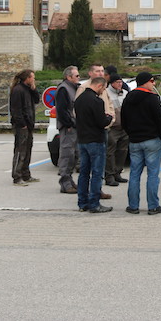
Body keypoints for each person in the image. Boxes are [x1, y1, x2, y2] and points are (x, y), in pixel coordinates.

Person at [121, 72, 161, 215]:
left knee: (134, 174)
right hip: (152, 139)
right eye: (152, 81)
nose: (154, 83)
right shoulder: (152, 98)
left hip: (135, 140)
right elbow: (160, 119)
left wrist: (131, 134)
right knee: (153, 174)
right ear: (145, 82)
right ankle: (153, 206)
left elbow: (123, 119)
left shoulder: (128, 98)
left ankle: (133, 206)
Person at [74, 77, 113, 213]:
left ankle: (82, 202)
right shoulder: (97, 101)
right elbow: (101, 122)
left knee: (84, 172)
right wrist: (108, 117)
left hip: (82, 139)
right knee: (97, 173)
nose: (103, 91)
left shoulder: (79, 99)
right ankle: (94, 203)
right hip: (95, 140)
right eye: (104, 88)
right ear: (99, 86)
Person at [9, 69, 40, 186]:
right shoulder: (18, 90)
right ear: (27, 78)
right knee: (20, 150)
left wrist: (34, 89)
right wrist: (22, 124)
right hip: (21, 125)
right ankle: (17, 176)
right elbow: (15, 109)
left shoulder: (28, 89)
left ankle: (26, 174)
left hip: (29, 124)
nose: (34, 79)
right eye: (33, 77)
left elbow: (37, 100)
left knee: (28, 150)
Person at [56, 65, 81, 194]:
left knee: (74, 155)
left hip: (74, 126)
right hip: (68, 127)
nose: (79, 78)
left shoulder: (74, 88)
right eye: (76, 75)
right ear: (68, 77)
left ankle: (70, 181)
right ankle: (65, 182)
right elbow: (61, 110)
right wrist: (69, 124)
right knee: (67, 154)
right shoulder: (63, 89)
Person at [105, 74, 129, 186]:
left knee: (122, 151)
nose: (120, 84)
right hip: (112, 127)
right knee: (110, 152)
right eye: (118, 82)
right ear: (112, 83)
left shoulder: (125, 93)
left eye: (121, 82)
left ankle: (117, 172)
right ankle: (109, 175)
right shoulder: (106, 93)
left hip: (124, 127)